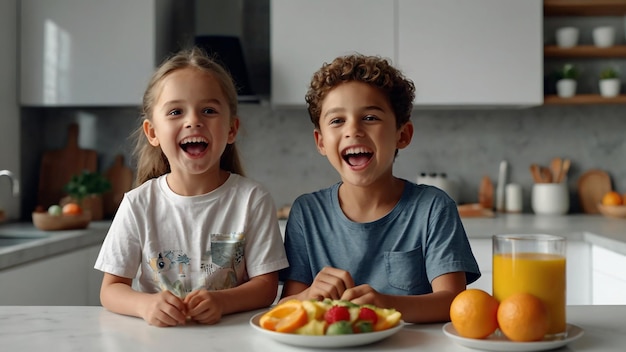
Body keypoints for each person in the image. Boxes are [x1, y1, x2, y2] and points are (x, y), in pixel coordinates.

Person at [94, 47, 288, 327]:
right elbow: (110, 289)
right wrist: (145, 305)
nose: (193, 121)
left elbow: (267, 286)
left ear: (231, 129)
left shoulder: (252, 199)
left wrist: (223, 302)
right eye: (175, 111)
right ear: (153, 132)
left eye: (208, 110)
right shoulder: (138, 204)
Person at [279, 54, 480, 324]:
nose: (354, 130)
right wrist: (308, 296)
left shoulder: (433, 208)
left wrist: (386, 304)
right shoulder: (307, 213)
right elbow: (286, 305)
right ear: (321, 142)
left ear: (403, 135)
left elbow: (453, 302)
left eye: (370, 117)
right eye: (337, 121)